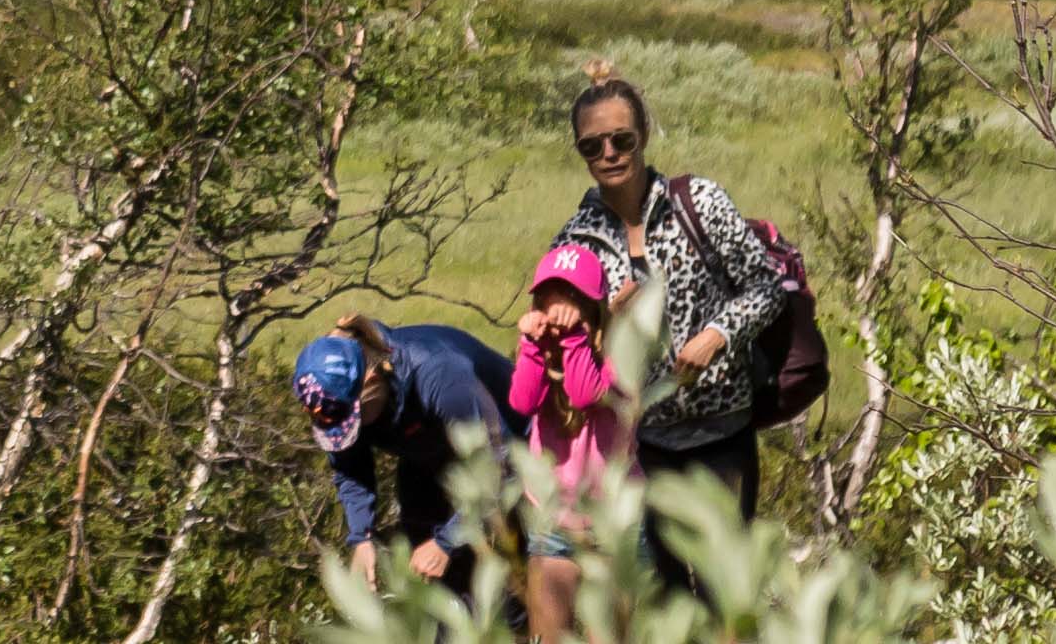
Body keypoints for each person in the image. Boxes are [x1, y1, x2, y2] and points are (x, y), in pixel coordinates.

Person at [550, 62, 793, 571]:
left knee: (723, 586)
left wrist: (717, 335)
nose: (609, 154)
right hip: (643, 445)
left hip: (722, 433)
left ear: (643, 136)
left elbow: (766, 289)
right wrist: (608, 326)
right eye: (592, 146)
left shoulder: (698, 203)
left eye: (621, 139)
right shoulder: (576, 240)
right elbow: (565, 353)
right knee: (664, 597)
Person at [297, 312, 513, 598]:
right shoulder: (341, 402)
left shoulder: (440, 374)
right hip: (428, 453)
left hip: (514, 450)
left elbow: (498, 464)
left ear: (372, 380)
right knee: (438, 587)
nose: (354, 429)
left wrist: (447, 542)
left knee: (519, 584)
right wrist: (361, 538)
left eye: (356, 419)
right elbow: (350, 466)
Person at [506, 242, 634, 644]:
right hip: (554, 521)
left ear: (593, 308)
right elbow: (522, 402)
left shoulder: (620, 354)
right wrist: (532, 348)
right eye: (549, 299)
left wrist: (576, 340)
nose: (558, 309)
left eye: (572, 299)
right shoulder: (540, 351)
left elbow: (585, 395)